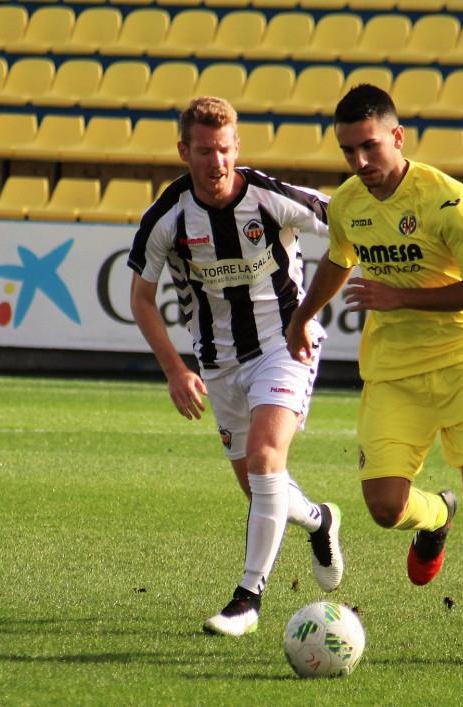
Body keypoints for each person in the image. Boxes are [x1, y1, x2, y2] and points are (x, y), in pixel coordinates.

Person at [286, 84, 463, 668]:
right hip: (393, 373)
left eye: (369, 146)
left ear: (397, 136)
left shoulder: (449, 201)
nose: (360, 161)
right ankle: (436, 516)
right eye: (348, 151)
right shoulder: (347, 203)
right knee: (386, 507)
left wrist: (400, 297)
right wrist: (302, 316)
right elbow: (338, 260)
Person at [127, 96, 343, 638]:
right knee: (260, 488)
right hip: (219, 363)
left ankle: (247, 600)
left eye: (225, 149)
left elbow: (349, 221)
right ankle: (320, 519)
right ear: (184, 151)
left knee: (267, 459)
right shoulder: (167, 217)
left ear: (237, 147)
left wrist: (310, 312)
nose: (217, 162)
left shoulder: (270, 197)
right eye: (205, 151)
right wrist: (176, 370)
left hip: (284, 345)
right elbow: (142, 299)